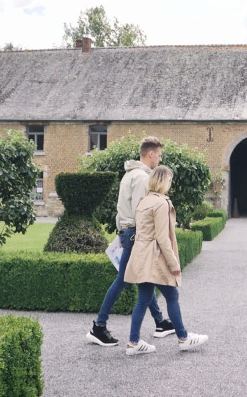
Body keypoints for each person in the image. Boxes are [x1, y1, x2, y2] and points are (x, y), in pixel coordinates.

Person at [86, 136, 175, 346]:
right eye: (159, 155)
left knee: (144, 278)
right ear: (150, 154)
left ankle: (160, 321)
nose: (160, 159)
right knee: (124, 280)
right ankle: (98, 327)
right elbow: (141, 212)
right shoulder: (143, 178)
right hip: (135, 233)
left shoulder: (130, 174)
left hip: (128, 231)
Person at [124, 165, 208, 354]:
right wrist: (174, 264)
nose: (170, 184)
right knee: (171, 296)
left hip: (141, 255)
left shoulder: (145, 201)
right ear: (164, 181)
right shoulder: (161, 203)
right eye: (170, 180)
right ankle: (183, 338)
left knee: (143, 300)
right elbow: (163, 238)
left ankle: (133, 343)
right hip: (154, 258)